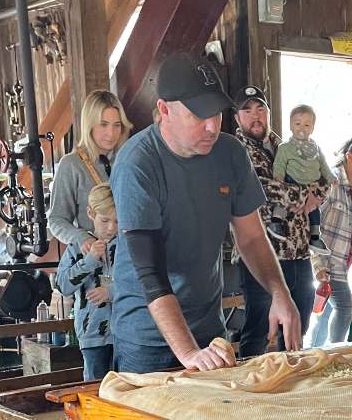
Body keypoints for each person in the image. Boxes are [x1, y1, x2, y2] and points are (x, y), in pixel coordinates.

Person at [110, 54, 301, 375]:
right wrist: (188, 353)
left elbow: (252, 237)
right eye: (199, 115)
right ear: (164, 110)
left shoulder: (230, 154)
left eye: (216, 113)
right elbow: (151, 275)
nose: (212, 126)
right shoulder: (137, 163)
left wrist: (279, 292)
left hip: (209, 328)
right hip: (148, 338)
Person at [232, 84, 329, 356]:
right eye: (247, 110)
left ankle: (292, 387)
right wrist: (301, 194)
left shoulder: (288, 145)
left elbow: (323, 175)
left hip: (298, 252)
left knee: (299, 325)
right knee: (259, 330)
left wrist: (317, 195)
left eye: (260, 108)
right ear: (237, 117)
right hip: (261, 256)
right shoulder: (234, 151)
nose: (255, 115)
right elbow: (257, 188)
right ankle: (252, 393)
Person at [47, 90, 131, 253]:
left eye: (117, 125)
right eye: (103, 124)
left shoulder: (128, 160)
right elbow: (56, 220)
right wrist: (82, 238)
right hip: (93, 261)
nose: (111, 133)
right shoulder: (71, 165)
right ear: (89, 125)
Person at [55, 183, 117, 381]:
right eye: (105, 220)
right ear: (91, 214)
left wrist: (111, 293)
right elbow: (62, 285)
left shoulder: (127, 246)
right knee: (95, 389)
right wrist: (89, 261)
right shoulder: (76, 247)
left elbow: (140, 282)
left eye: (117, 221)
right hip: (92, 335)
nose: (111, 228)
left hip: (126, 333)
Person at [309, 135, 352, 347]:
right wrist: (318, 263)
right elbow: (312, 221)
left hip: (341, 261)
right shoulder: (331, 182)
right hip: (328, 261)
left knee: (327, 312)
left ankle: (314, 354)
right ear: (348, 157)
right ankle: (334, 353)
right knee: (344, 307)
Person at [269, 104, 334, 254]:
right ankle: (276, 222)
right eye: (297, 124)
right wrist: (278, 177)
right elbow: (279, 164)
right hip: (292, 181)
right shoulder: (285, 147)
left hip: (312, 185)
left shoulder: (315, 148)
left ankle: (315, 237)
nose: (302, 128)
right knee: (283, 200)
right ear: (291, 126)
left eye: (307, 124)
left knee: (315, 212)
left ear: (312, 128)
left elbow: (324, 165)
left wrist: (331, 178)